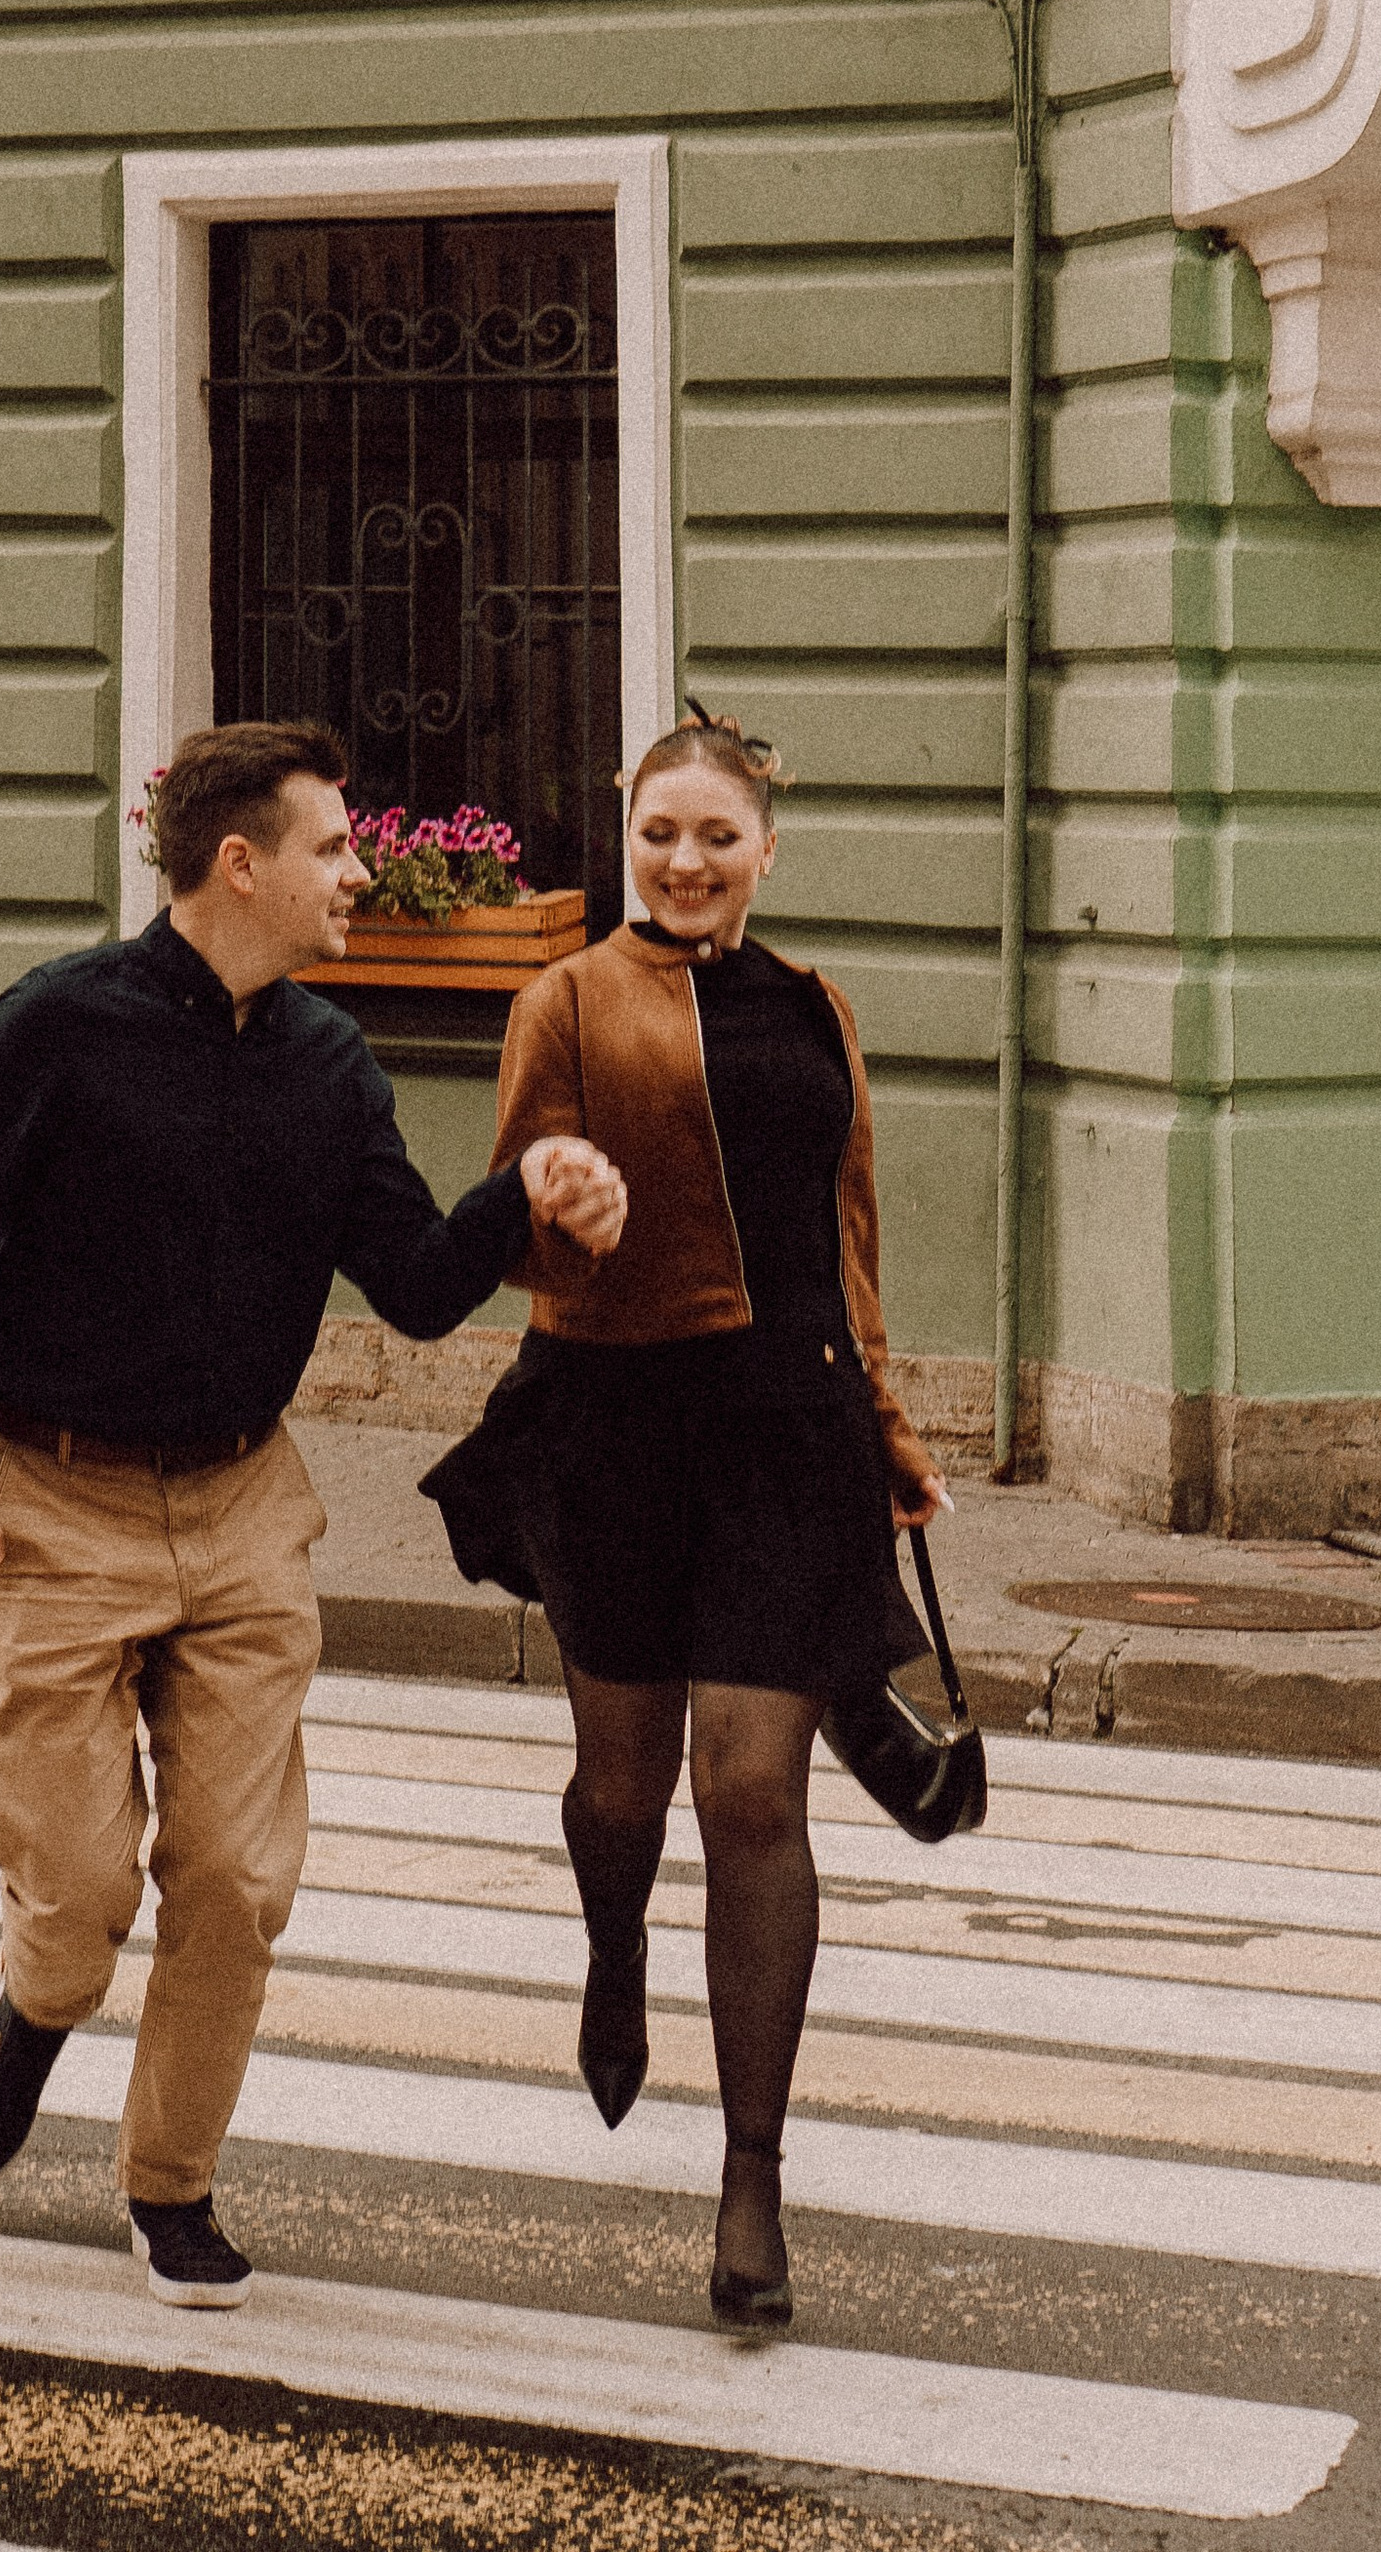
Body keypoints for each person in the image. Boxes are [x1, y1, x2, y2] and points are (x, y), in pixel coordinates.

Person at [0, 716, 627, 2313]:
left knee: (237, 1875)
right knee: (79, 1900)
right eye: (336, 848)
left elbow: (419, 1290)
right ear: (242, 863)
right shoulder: (58, 1027)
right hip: (53, 1507)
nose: (361, 872)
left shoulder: (326, 1064)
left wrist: (529, 1193)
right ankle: (34, 2011)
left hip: (240, 1509)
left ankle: (172, 2183)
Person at [423, 703, 948, 2332]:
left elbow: (846, 1233)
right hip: (619, 1425)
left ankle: (751, 2187)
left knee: (753, 1794)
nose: (689, 860)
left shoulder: (818, 1011)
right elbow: (517, 1217)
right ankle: (610, 1948)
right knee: (621, 1780)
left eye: (720, 836)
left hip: (789, 1433)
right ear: (626, 837)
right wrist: (558, 1203)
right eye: (662, 833)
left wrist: (887, 1421)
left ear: (766, 852)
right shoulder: (564, 998)